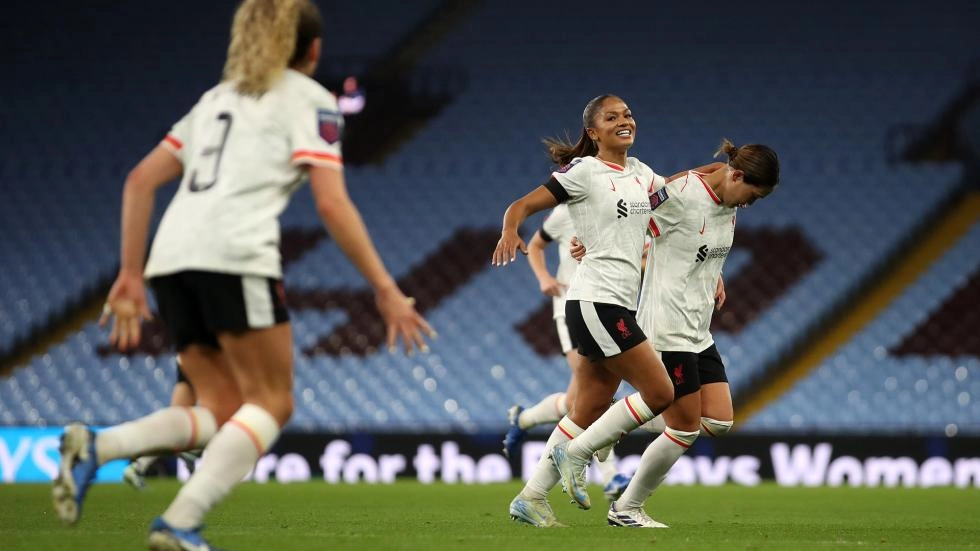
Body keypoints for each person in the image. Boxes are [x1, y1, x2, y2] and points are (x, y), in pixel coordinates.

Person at [51, 1, 433, 549]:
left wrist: (131, 274)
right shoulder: (311, 101)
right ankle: (180, 520)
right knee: (273, 400)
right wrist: (385, 288)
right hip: (233, 255)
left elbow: (139, 180)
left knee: (221, 408)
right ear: (313, 50)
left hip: (170, 259)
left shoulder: (215, 99)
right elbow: (331, 204)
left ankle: (98, 446)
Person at [561, 139, 781, 528]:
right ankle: (624, 505)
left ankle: (615, 422)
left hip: (698, 328)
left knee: (718, 421)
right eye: (753, 194)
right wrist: (590, 243)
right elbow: (630, 217)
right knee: (683, 427)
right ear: (737, 175)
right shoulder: (682, 193)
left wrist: (715, 277)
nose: (751, 204)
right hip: (667, 325)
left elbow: (701, 246)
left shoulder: (728, 202)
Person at [492, 94, 677, 527]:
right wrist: (509, 230)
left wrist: (718, 175)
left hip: (613, 302)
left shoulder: (640, 173)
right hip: (595, 301)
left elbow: (679, 194)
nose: (624, 120)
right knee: (661, 393)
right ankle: (579, 455)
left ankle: (532, 497)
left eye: (628, 113)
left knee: (589, 406)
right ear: (593, 132)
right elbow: (522, 205)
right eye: (612, 117)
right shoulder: (584, 172)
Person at [502, 203, 630, 500]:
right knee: (595, 392)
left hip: (604, 308)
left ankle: (523, 419)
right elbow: (534, 246)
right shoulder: (564, 213)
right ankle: (611, 478)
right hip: (570, 309)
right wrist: (544, 278)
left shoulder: (614, 205)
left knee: (576, 400)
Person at [122, 358, 201, 489]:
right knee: (222, 416)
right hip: (208, 353)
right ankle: (192, 451)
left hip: (188, 353)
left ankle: (139, 465)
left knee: (175, 424)